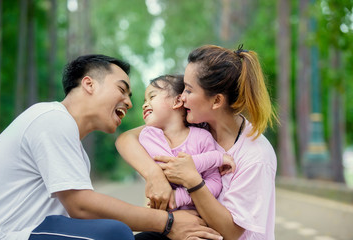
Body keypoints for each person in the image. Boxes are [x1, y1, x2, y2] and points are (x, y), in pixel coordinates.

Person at [0, 54, 222, 240]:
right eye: (122, 90)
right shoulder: (52, 118)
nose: (130, 103)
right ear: (89, 84)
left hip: (32, 231)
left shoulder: (75, 148)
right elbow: (81, 207)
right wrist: (168, 223)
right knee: (114, 234)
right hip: (8, 234)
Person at [116, 44, 277, 240]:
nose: (182, 97)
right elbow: (127, 139)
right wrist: (154, 175)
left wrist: (192, 180)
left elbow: (232, 231)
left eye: (189, 91)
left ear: (216, 101)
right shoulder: (196, 125)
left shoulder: (256, 156)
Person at [139, 74, 235, 210]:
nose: (144, 104)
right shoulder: (149, 135)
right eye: (144, 100)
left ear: (177, 101)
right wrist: (217, 157)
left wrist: (178, 197)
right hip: (164, 222)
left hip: (202, 221)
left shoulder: (203, 137)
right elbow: (171, 169)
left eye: (152, 97)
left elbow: (215, 184)